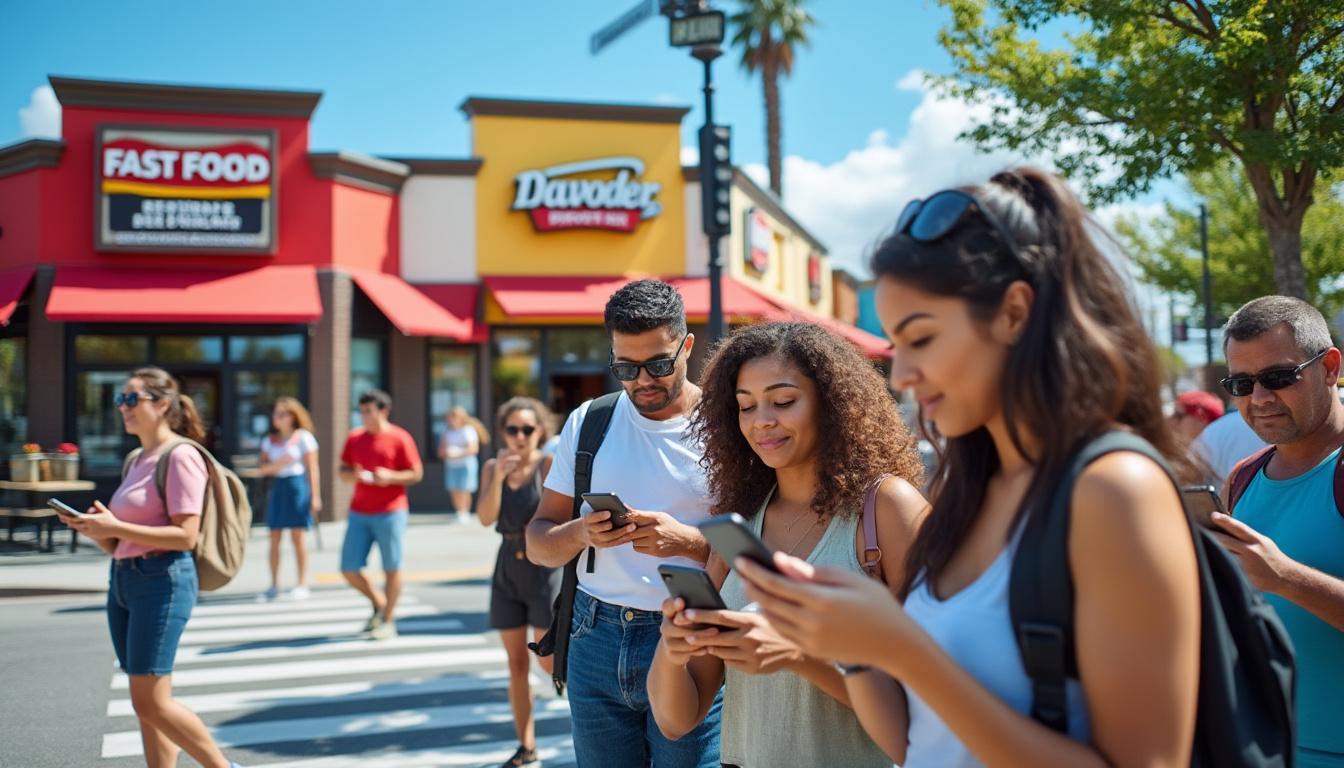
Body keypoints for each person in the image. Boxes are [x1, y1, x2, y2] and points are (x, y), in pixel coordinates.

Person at [734, 168, 1202, 765]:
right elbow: (913, 741)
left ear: (1013, 313)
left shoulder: (1113, 489)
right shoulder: (964, 488)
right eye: (895, 345)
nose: (900, 374)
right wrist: (848, 644)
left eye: (921, 338)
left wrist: (903, 651)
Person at [647, 321, 929, 768]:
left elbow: (928, 699)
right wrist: (672, 648)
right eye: (745, 406)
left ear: (833, 405)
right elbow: (675, 721)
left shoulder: (887, 510)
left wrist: (799, 656)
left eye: (783, 401)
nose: (762, 421)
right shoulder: (736, 527)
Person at [526, 279, 721, 768]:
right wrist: (579, 533)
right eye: (625, 368)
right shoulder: (589, 420)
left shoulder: (730, 427)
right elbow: (537, 542)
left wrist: (690, 543)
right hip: (595, 634)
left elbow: (768, 549)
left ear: (687, 345)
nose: (642, 381)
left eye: (659, 364)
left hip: (692, 635)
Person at [61, 367, 241, 768]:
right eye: (119, 400)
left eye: (131, 399)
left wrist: (115, 525)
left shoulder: (181, 457)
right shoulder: (135, 459)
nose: (122, 407)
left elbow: (186, 536)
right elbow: (122, 541)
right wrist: (96, 530)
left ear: (161, 404)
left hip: (163, 579)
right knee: (148, 704)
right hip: (123, 579)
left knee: (150, 702)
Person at [1214, 295, 1344, 767]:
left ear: (1329, 368)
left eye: (1278, 378)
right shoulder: (1242, 478)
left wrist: (1286, 578)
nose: (1260, 399)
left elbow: (1278, 582)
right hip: (1263, 748)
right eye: (1242, 383)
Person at [476, 396, 561, 768]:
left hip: (544, 568)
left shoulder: (548, 465)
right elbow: (484, 518)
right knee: (515, 665)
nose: (520, 436)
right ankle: (526, 746)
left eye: (528, 429)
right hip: (507, 566)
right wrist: (497, 477)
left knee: (549, 663)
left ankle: (596, 718)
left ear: (541, 431)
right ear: (503, 433)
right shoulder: (494, 466)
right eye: (513, 430)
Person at [339, 389, 423, 640]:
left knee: (392, 567)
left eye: (368, 411)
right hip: (359, 512)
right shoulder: (355, 438)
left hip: (391, 512)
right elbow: (342, 470)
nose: (363, 416)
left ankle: (387, 620)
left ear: (383, 411)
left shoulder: (400, 438)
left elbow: (416, 473)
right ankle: (380, 603)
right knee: (349, 568)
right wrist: (350, 475)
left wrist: (391, 477)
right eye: (361, 411)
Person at [257, 397, 321, 601]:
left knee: (297, 537)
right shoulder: (270, 440)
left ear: (293, 416)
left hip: (297, 486)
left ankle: (302, 583)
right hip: (279, 487)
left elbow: (312, 468)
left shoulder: (304, 438)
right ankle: (274, 584)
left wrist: (315, 496)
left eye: (282, 414)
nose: (277, 418)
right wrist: (279, 464)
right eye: (275, 414)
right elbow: (263, 469)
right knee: (274, 536)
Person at [1193, 404, 1268, 487]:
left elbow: (1192, 485)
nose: (1175, 421)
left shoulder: (1214, 430)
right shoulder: (1214, 431)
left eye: (1180, 416)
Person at [440, 405, 488, 524]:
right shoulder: (447, 431)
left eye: (453, 417)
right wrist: (447, 452)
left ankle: (465, 512)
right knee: (454, 489)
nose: (450, 420)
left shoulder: (468, 430)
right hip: (451, 464)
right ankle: (459, 511)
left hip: (465, 464)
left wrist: (458, 452)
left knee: (464, 489)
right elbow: (441, 450)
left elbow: (473, 449)